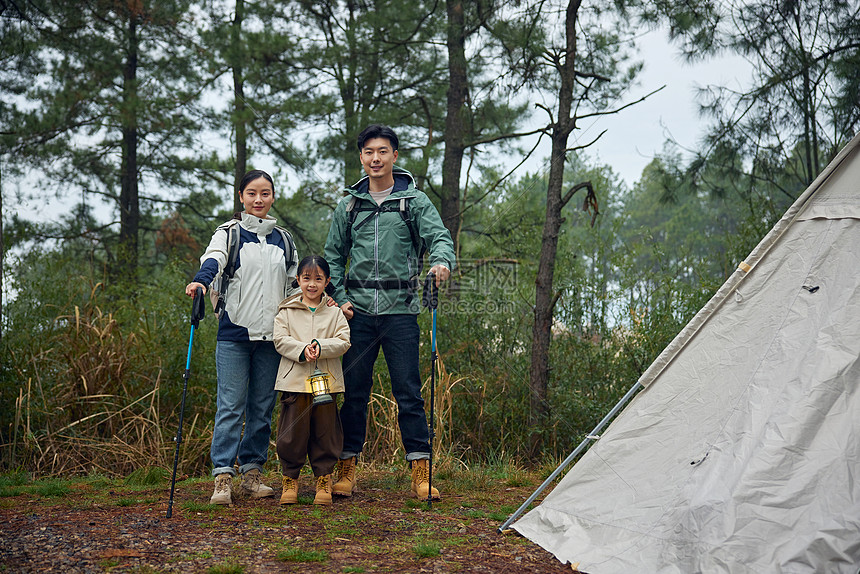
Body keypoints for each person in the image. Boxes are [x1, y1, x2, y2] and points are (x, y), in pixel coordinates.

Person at [324, 124, 455, 500]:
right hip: (357, 313)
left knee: (409, 392)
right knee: (354, 393)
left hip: (401, 311)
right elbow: (333, 256)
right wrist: (342, 297)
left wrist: (441, 262)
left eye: (383, 151)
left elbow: (439, 238)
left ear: (395, 156)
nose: (375, 158)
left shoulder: (413, 202)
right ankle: (346, 469)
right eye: (368, 152)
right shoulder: (348, 205)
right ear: (361, 157)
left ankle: (421, 472)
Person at [185, 169, 298, 506]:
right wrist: (202, 280)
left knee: (262, 408)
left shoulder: (284, 239)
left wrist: (329, 302)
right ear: (241, 197)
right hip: (234, 334)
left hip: (272, 338)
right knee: (231, 406)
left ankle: (251, 473)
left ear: (273, 197)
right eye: (252, 193)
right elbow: (214, 259)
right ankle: (223, 476)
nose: (258, 199)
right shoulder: (229, 233)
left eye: (265, 193)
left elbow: (297, 283)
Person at [272, 255, 350, 506]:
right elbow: (280, 339)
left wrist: (321, 346)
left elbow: (343, 341)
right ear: (298, 280)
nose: (312, 284)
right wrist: (303, 349)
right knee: (292, 433)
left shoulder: (335, 313)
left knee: (325, 432)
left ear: (327, 281)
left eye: (318, 279)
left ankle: (323, 481)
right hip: (294, 381)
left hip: (326, 383)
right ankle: (290, 480)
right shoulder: (287, 310)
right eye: (307, 279)